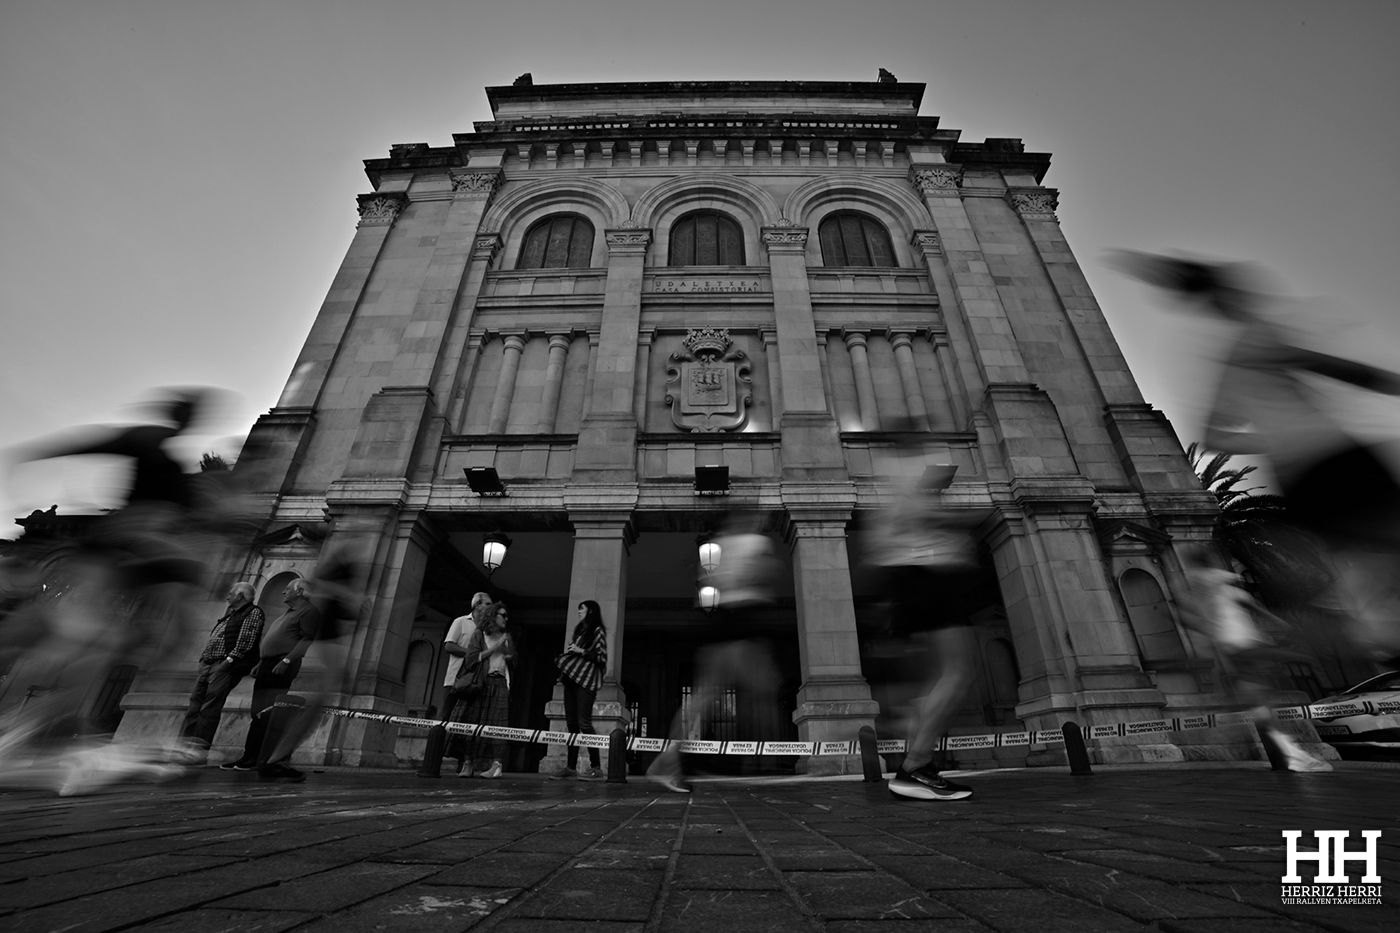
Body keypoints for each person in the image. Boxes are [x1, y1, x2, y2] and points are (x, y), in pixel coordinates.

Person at [647, 518, 783, 794]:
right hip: (737, 624)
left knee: (708, 697)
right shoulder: (750, 543)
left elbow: (716, 580)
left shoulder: (722, 546)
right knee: (748, 690)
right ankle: (763, 762)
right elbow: (760, 574)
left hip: (729, 625)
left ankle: (670, 761)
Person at [868, 477, 982, 802]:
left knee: (934, 681)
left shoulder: (893, 474)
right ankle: (915, 766)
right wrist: (964, 521)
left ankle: (918, 762)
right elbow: (921, 519)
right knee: (958, 672)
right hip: (927, 575)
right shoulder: (909, 471)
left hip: (909, 577)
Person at [1179, 547, 1332, 772]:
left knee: (1261, 707)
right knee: (1285, 662)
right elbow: (1249, 603)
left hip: (1230, 647)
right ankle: (1288, 750)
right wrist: (1280, 623)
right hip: (1244, 642)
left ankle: (1289, 752)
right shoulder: (1223, 584)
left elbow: (1193, 615)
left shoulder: (1198, 587)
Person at [220, 578, 320, 781]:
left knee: (268, 713)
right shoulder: (289, 613)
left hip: (281, 665)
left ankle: (259, 758)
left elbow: (307, 639)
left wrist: (286, 660)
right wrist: (262, 661)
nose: (283, 592)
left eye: (287, 589)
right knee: (258, 712)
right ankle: (249, 757)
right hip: (268, 664)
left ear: (300, 591)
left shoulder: (308, 612)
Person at [178, 582, 264, 761]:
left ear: (240, 596)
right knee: (195, 706)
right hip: (208, 664)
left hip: (223, 667)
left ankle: (197, 754)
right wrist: (203, 660)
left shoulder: (252, 612)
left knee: (209, 709)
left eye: (231, 593)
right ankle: (183, 750)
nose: (227, 596)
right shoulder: (230, 615)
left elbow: (246, 641)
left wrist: (228, 662)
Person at [456, 601, 517, 780]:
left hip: (499, 682)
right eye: (502, 615)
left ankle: (496, 765)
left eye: (507, 616)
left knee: (498, 724)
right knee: (473, 721)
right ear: (492, 616)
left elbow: (513, 663)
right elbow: (471, 660)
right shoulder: (479, 635)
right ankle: (467, 763)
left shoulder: (507, 637)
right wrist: (494, 649)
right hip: (480, 682)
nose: (506, 619)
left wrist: (509, 655)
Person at [550, 600, 608, 781]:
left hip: (586, 682)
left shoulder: (597, 632)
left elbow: (601, 658)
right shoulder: (580, 632)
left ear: (590, 611)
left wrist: (580, 650)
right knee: (572, 725)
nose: (579, 612)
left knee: (585, 724)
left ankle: (596, 767)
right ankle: (571, 767)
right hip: (571, 680)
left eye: (581, 609)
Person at [443, 593, 490, 776]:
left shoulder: (488, 629)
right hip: (455, 679)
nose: (490, 607)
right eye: (487, 604)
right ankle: (432, 760)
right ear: (477, 605)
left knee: (469, 722)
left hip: (477, 682)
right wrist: (472, 653)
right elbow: (449, 645)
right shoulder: (461, 622)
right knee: (445, 718)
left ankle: (464, 763)